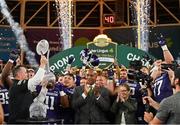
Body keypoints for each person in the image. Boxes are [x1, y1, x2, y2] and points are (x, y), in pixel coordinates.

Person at [2, 54, 47, 123]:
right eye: (26, 72)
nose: (28, 74)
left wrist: (45, 88)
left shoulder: (25, 87)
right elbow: (37, 80)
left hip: (26, 121)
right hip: (17, 122)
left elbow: (38, 100)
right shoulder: (17, 85)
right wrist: (43, 64)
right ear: (19, 74)